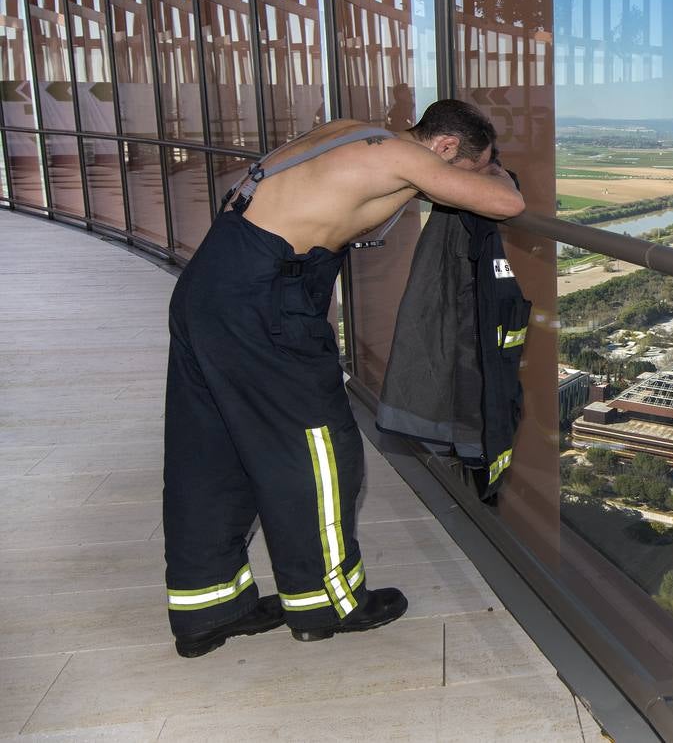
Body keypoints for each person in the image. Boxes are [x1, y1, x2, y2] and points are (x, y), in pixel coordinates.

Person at [163, 99, 523, 658]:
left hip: (211, 283)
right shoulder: (406, 158)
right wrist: (493, 170)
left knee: (211, 451)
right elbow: (508, 202)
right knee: (320, 448)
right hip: (266, 302)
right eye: (463, 167)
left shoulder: (351, 132)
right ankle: (326, 602)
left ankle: (209, 608)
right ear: (446, 148)